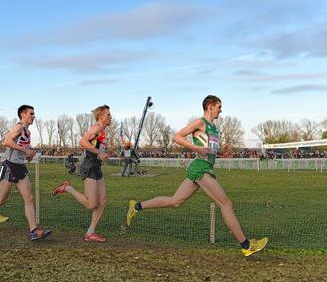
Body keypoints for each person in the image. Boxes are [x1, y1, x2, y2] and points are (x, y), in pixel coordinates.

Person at [125, 95, 268, 257]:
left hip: (204, 167)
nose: (221, 110)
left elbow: (207, 149)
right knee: (226, 204)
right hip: (200, 169)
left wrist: (221, 152)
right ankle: (246, 245)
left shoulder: (214, 128)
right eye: (219, 106)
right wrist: (195, 148)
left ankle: (136, 206)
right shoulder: (200, 122)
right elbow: (177, 137)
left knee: (175, 201)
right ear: (210, 106)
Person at [0, 105, 52, 241]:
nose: (33, 116)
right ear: (23, 115)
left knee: (29, 198)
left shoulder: (28, 132)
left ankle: (34, 231)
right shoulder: (19, 127)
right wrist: (25, 151)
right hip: (10, 167)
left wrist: (29, 153)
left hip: (20, 167)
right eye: (31, 113)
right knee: (0, 200)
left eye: (34, 114)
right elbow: (6, 141)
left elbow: (21, 148)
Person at [52, 105, 111, 242]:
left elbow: (94, 147)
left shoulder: (102, 132)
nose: (110, 117)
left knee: (102, 201)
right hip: (89, 167)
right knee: (91, 204)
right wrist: (99, 152)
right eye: (108, 115)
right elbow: (82, 141)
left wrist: (103, 153)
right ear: (101, 117)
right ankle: (67, 188)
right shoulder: (96, 128)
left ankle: (90, 233)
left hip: (97, 167)